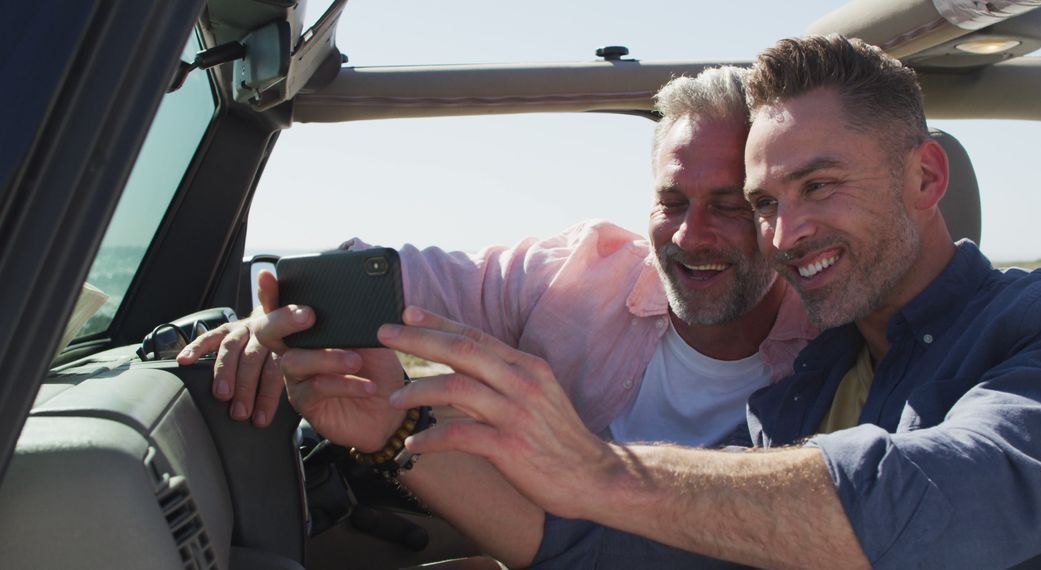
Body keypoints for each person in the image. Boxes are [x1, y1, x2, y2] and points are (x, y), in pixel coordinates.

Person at [264, 34, 1041, 568]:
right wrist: (392, 426)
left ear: (926, 178)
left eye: (819, 186)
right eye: (767, 202)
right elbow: (637, 546)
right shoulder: (814, 379)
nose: (786, 232)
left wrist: (596, 469)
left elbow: (954, 500)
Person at [179, 66, 814, 445]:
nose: (689, 235)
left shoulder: (839, 337)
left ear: (773, 209)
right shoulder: (575, 273)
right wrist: (287, 321)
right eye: (671, 201)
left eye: (729, 205)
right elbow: (407, 279)